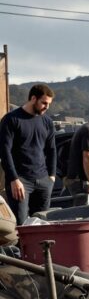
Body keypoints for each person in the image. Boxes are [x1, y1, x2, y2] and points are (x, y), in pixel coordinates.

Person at [0, 84, 56, 224]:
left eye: (48, 104)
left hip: (43, 180)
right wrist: (13, 179)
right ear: (33, 98)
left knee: (42, 223)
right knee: (22, 224)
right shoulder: (11, 119)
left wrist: (52, 176)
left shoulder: (47, 121)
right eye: (44, 103)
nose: (46, 107)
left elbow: (51, 149)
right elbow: (4, 151)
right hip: (21, 181)